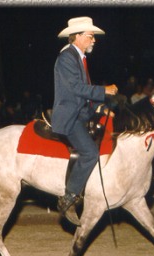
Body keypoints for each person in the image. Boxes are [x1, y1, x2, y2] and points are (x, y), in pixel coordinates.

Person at [51, 16, 118, 226]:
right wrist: (103, 91)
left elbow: (82, 96)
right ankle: (69, 198)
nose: (93, 40)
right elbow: (75, 89)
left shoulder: (79, 58)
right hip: (70, 117)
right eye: (90, 36)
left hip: (81, 113)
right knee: (90, 153)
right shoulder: (67, 58)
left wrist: (100, 108)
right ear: (78, 37)